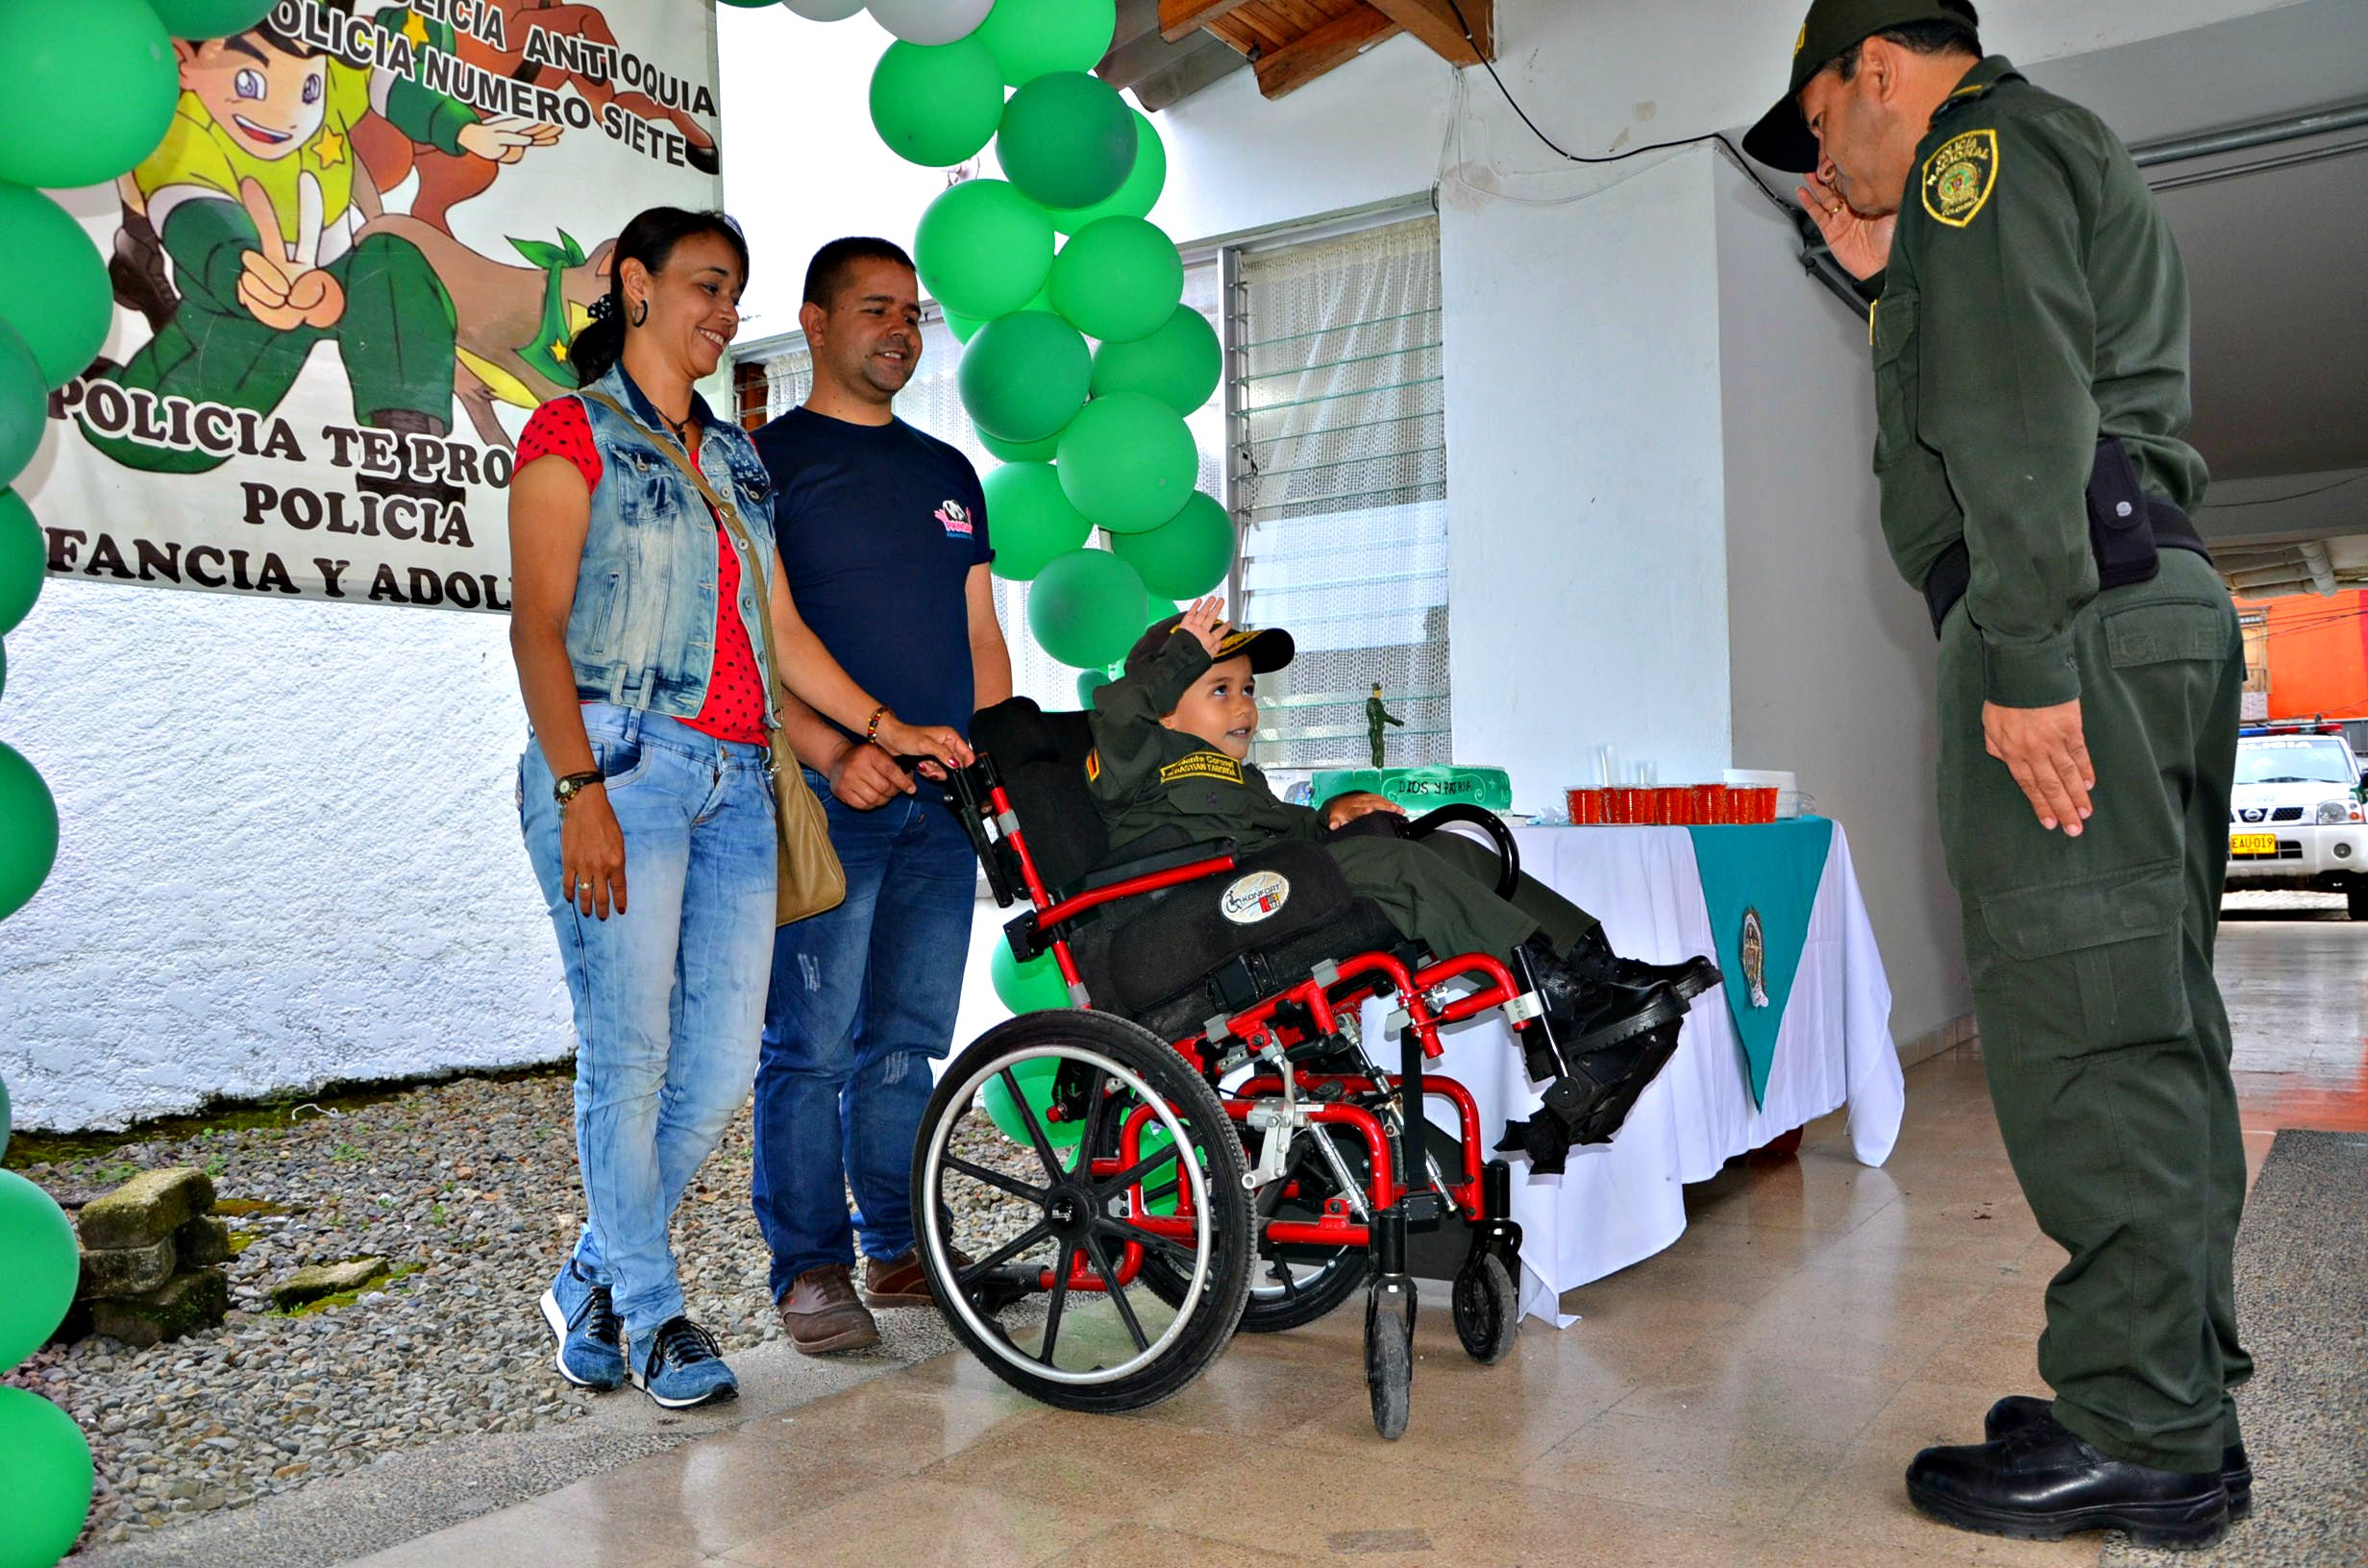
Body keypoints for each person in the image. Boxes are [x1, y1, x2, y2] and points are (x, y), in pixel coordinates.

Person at [1745, 0, 2250, 1547]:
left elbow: (2018, 409)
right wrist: (1888, 280)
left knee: (2085, 1030)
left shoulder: (1980, 154)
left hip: (2067, 610)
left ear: (1875, 70)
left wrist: (2027, 664)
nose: (1823, 152)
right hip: (2135, 595)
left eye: (1821, 119)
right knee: (2147, 1011)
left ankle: (2148, 1433)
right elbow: (2029, 355)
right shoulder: (2021, 168)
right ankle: (2161, 1372)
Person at [506, 208, 968, 1409]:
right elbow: (537, 628)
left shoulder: (732, 456)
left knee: (714, 1071)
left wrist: (882, 727)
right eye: (707, 285)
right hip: (620, 762)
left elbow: (786, 635)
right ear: (633, 286)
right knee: (630, 1053)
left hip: (738, 779)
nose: (724, 310)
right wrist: (578, 792)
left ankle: (593, 1275)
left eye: (735, 291)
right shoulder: (574, 430)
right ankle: (654, 1315)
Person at [1091, 599, 1719, 1168]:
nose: (1245, 707)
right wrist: (1176, 660)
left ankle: (1597, 974)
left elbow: (1280, 831)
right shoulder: (1131, 759)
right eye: (1219, 689)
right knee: (1389, 868)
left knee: (1447, 846)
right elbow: (1118, 714)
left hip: (1261, 895)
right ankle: (1565, 998)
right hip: (1191, 927)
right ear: (1163, 701)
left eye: (1248, 690)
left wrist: (1330, 816)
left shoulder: (1237, 780)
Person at [748, 238, 1013, 1354]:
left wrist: (996, 773)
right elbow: (752, 642)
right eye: (873, 309)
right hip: (830, 798)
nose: (899, 329)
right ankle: (807, 1270)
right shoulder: (761, 463)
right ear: (814, 323)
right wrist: (822, 749)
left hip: (943, 808)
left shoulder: (947, 472)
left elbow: (979, 634)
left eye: (910, 311)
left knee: (907, 1042)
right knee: (807, 1045)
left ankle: (897, 1248)